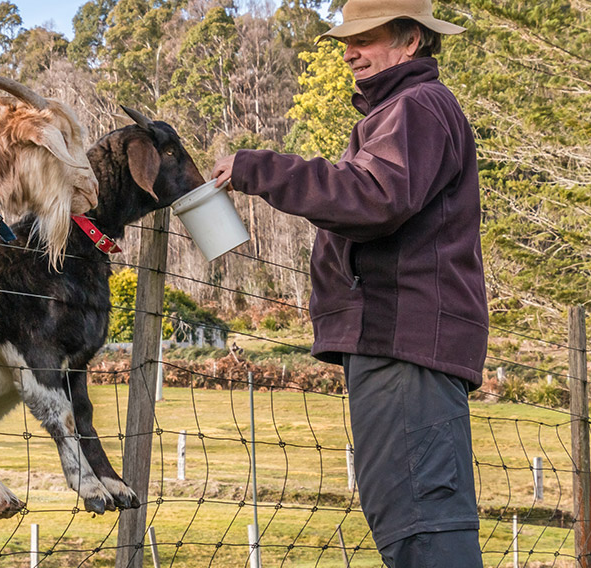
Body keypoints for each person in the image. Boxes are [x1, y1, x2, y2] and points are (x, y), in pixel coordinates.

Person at [211, 0, 487, 566]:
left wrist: (260, 168)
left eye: (367, 37)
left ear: (411, 41)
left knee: (423, 529)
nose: (351, 52)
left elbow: (372, 197)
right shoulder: (397, 113)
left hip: (403, 342)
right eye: (346, 41)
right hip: (396, 344)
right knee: (411, 519)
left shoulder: (418, 107)